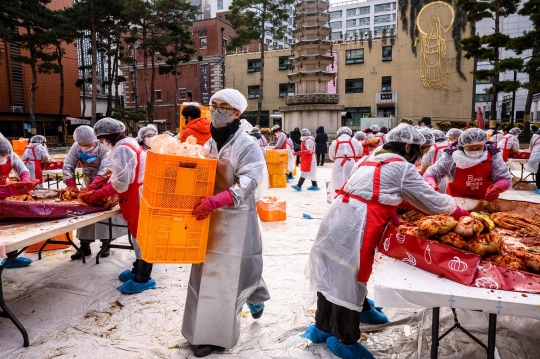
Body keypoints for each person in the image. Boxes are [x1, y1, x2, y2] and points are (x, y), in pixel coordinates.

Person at [302, 123, 469, 359]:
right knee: (350, 277)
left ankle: (323, 325)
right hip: (358, 222)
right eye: (419, 151)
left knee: (331, 270)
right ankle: (343, 338)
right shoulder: (401, 168)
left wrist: (393, 211)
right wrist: (463, 213)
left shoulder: (371, 159)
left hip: (338, 216)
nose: (420, 157)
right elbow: (433, 202)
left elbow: (377, 191)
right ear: (409, 146)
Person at [183, 89, 270, 357]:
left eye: (225, 107)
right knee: (207, 272)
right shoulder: (211, 142)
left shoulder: (246, 144)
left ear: (237, 113)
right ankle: (253, 295)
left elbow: (249, 181)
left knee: (228, 273)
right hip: (210, 216)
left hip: (237, 218)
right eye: (214, 105)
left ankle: (213, 336)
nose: (217, 111)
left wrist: (218, 200)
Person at [78, 118, 156, 295]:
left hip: (136, 195)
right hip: (136, 192)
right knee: (138, 235)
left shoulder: (122, 149)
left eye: (101, 140)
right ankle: (137, 269)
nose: (101, 143)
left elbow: (121, 182)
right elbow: (116, 173)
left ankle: (143, 278)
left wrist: (97, 194)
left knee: (141, 237)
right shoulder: (127, 142)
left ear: (106, 137)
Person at [63, 125, 128, 260]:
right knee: (84, 216)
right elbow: (68, 165)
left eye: (88, 144)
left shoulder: (103, 147)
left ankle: (106, 244)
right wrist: (71, 186)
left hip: (105, 185)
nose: (86, 147)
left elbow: (105, 169)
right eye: (83, 145)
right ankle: (84, 246)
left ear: (95, 139)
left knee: (104, 216)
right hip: (87, 183)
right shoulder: (76, 147)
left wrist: (93, 188)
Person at [425, 128, 512, 201]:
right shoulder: (452, 156)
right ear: (463, 146)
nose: (475, 151)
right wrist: (431, 184)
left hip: (483, 202)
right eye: (470, 148)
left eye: (479, 147)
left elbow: (504, 177)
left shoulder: (493, 156)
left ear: (484, 144)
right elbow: (432, 173)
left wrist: (497, 187)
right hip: (456, 202)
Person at [0, 133, 34, 268]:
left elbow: (22, 169)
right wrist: (10, 191)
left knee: (8, 226)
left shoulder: (7, 152)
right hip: (4, 191)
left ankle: (11, 258)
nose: (3, 160)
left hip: (3, 191)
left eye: (5, 157)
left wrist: (25, 183)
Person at [327, 127, 362, 202]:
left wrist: (338, 158)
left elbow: (331, 156)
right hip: (351, 162)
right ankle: (350, 198)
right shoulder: (355, 141)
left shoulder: (334, 142)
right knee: (351, 180)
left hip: (338, 163)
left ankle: (337, 199)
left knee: (337, 181)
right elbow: (360, 152)